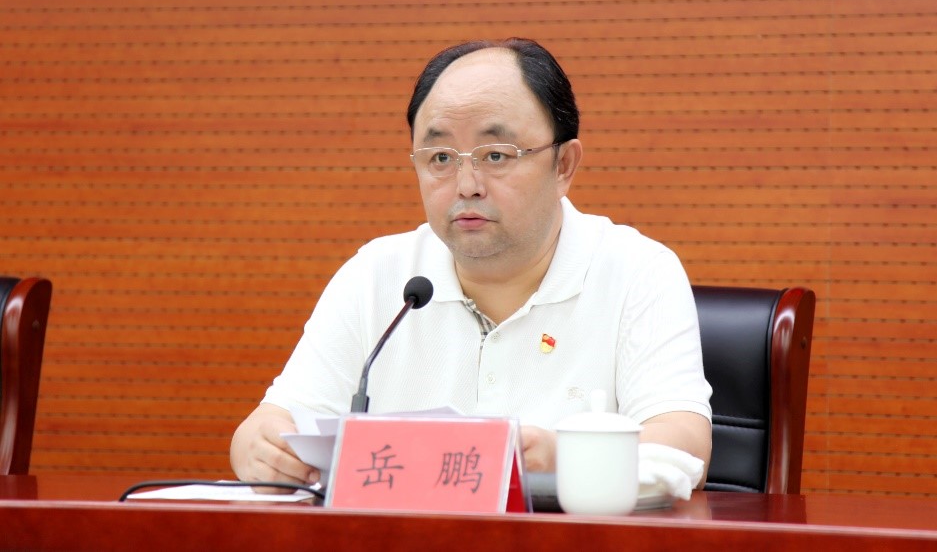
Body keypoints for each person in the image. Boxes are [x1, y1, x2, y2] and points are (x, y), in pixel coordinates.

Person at [230, 38, 712, 491]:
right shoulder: (378, 274)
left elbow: (684, 443)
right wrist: (261, 448)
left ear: (563, 165)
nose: (467, 186)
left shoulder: (637, 272)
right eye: (441, 157)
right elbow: (274, 422)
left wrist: (565, 458)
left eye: (496, 155)